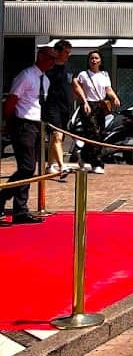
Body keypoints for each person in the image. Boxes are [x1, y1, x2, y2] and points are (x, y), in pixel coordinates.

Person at [1, 44, 57, 224]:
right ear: (40, 56)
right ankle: (4, 198)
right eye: (49, 57)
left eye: (54, 59)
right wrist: (9, 123)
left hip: (36, 125)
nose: (52, 62)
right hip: (23, 124)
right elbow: (11, 101)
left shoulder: (45, 80)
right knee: (26, 167)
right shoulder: (26, 76)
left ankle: (20, 210)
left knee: (30, 168)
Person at [74, 51, 120, 174]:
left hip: (101, 105)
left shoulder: (104, 74)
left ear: (100, 61)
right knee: (93, 133)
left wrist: (114, 97)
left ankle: (83, 155)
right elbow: (78, 89)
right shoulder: (83, 75)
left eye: (96, 58)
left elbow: (108, 89)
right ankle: (97, 163)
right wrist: (84, 102)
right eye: (91, 58)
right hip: (88, 105)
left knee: (100, 134)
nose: (94, 60)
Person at [43, 39, 79, 180]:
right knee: (57, 135)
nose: (67, 55)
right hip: (52, 106)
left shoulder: (69, 68)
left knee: (58, 137)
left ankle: (50, 165)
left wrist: (80, 99)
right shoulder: (48, 68)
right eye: (66, 52)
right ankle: (62, 165)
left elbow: (74, 85)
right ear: (57, 52)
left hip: (66, 106)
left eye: (69, 53)